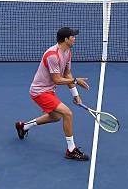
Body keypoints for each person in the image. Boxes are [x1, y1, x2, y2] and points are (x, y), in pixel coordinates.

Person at [15, 27, 90, 161]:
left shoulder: (67, 51)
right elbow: (57, 79)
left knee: (55, 117)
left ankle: (23, 126)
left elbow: (67, 73)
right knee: (67, 113)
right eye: (73, 37)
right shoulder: (52, 56)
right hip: (40, 92)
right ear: (66, 39)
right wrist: (76, 81)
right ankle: (71, 150)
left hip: (49, 90)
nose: (75, 39)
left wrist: (76, 95)